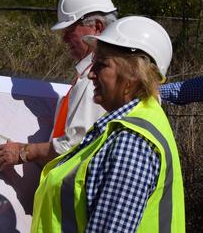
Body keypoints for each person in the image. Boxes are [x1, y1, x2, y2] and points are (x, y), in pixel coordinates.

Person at [31, 16, 185, 231]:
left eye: (101, 65)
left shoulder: (131, 143)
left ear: (133, 73)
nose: (91, 73)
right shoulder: (131, 121)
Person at [0, 0, 116, 169]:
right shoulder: (92, 72)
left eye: (70, 31)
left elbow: (75, 147)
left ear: (97, 27)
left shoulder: (95, 81)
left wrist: (23, 152)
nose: (64, 39)